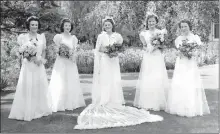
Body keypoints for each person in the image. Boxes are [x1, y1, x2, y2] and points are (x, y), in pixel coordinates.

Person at [74, 16, 163, 130]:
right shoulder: (101, 36)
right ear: (103, 27)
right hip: (105, 60)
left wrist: (114, 51)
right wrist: (107, 50)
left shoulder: (118, 36)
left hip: (114, 61)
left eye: (109, 25)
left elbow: (120, 48)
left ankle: (115, 99)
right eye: (105, 25)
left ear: (112, 25)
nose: (107, 27)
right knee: (105, 80)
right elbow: (98, 49)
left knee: (115, 80)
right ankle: (104, 99)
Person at [8, 16, 52, 121]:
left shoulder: (41, 37)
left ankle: (39, 109)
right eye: (32, 24)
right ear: (28, 25)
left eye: (36, 25)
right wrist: (31, 57)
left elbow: (44, 50)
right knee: (28, 86)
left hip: (39, 65)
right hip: (28, 65)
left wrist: (41, 59)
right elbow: (22, 52)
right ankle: (27, 110)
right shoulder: (23, 37)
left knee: (39, 86)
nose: (34, 26)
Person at [166, 19, 210, 117]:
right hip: (181, 63)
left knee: (190, 83)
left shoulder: (195, 38)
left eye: (185, 26)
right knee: (180, 83)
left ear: (189, 26)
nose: (183, 28)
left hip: (190, 63)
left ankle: (190, 107)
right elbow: (177, 51)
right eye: (182, 27)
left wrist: (193, 53)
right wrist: (178, 52)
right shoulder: (178, 39)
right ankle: (180, 107)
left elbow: (199, 51)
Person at [48, 18, 86, 112]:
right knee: (61, 80)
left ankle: (71, 102)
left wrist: (71, 55)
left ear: (71, 27)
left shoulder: (73, 38)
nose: (67, 27)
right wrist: (61, 52)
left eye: (69, 26)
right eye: (66, 25)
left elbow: (74, 50)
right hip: (61, 61)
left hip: (70, 62)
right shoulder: (59, 37)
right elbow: (56, 49)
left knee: (70, 81)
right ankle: (60, 102)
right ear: (63, 26)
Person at [134, 13, 169, 111]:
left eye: (153, 21)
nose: (151, 23)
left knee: (158, 77)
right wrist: (149, 49)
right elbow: (144, 45)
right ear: (147, 22)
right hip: (148, 57)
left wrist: (156, 46)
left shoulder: (160, 32)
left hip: (157, 57)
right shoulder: (143, 33)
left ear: (156, 22)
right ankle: (148, 102)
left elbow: (163, 46)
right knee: (148, 78)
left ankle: (158, 102)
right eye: (149, 21)